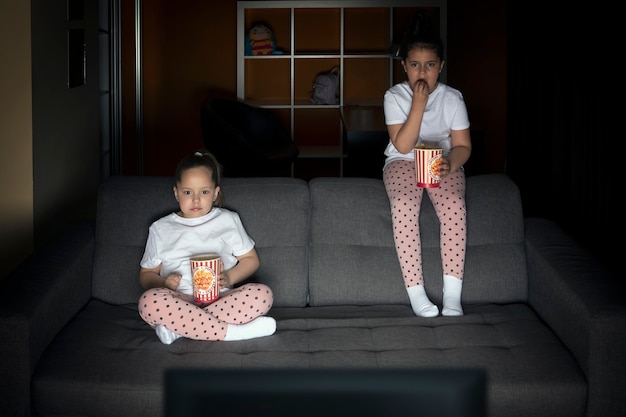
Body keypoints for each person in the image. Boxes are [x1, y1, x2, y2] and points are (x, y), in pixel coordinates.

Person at [382, 10, 471, 317]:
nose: (423, 73)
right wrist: (418, 104)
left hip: (441, 161)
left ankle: (452, 295)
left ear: (440, 67)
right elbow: (403, 144)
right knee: (404, 205)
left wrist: (451, 163)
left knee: (454, 206)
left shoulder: (453, 98)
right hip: (403, 161)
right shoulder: (394, 96)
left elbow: (462, 146)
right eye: (415, 65)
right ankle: (417, 293)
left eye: (430, 65)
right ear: (404, 67)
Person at [137, 150, 276, 344]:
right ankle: (232, 332)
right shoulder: (160, 229)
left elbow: (251, 260)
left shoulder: (228, 220)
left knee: (263, 295)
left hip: (221, 299)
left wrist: (230, 277)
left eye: (204, 192)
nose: (196, 200)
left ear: (215, 193)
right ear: (176, 193)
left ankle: (179, 330)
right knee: (148, 302)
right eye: (187, 192)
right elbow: (146, 274)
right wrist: (163, 284)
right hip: (179, 301)